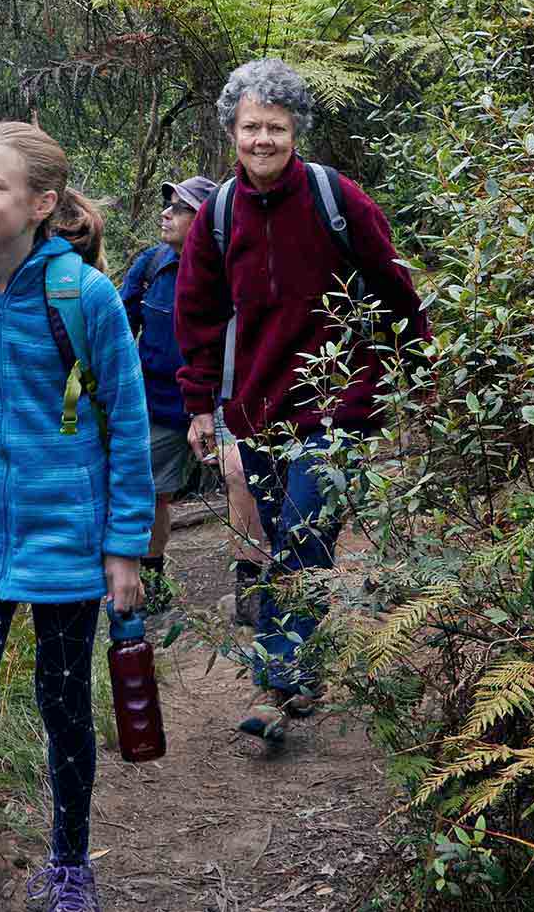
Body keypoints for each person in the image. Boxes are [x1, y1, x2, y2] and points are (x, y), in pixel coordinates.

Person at [0, 120, 153, 912]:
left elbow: (125, 420)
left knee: (61, 707)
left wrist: (124, 546)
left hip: (65, 536)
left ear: (42, 202)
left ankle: (71, 864)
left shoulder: (83, 296)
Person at [173, 58, 429, 739]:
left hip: (337, 403)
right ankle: (305, 672)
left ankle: (276, 684)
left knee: (304, 534)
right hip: (256, 409)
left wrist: (416, 377)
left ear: (296, 132)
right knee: (286, 537)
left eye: (276, 128)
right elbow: (196, 315)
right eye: (251, 127)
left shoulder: (335, 198)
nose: (263, 140)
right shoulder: (219, 216)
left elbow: (398, 291)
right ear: (232, 131)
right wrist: (200, 405)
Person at [118, 174, 216, 612]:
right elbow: (120, 329)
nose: (166, 213)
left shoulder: (227, 267)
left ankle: (255, 582)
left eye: (178, 208)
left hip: (219, 405)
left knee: (242, 485)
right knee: (153, 491)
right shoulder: (152, 264)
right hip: (158, 404)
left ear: (204, 218)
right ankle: (152, 579)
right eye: (168, 205)